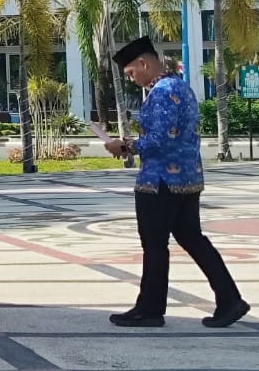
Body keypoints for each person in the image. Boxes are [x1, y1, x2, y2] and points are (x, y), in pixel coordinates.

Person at [104, 36, 249, 328]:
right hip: (187, 178)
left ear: (144, 63)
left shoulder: (161, 91)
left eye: (132, 73)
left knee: (155, 246)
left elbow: (159, 138)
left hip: (160, 182)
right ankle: (229, 299)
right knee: (193, 239)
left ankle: (150, 309)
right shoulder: (181, 87)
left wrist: (125, 146)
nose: (132, 80)